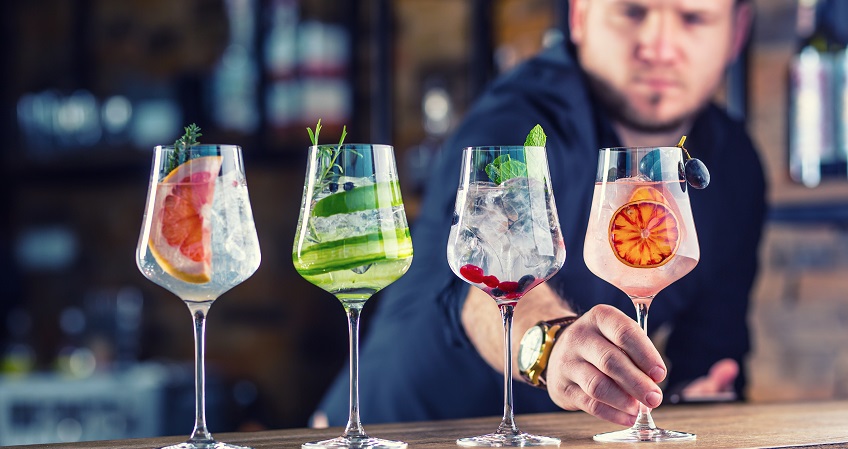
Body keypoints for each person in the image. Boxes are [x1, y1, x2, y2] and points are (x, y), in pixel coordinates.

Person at [313, 0, 765, 428]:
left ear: (736, 32)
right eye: (632, 11)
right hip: (393, 427)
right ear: (580, 14)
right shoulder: (518, 117)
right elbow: (472, 278)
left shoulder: (733, 165)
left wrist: (693, 399)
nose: (659, 46)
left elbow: (709, 354)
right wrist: (550, 342)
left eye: (693, 18)